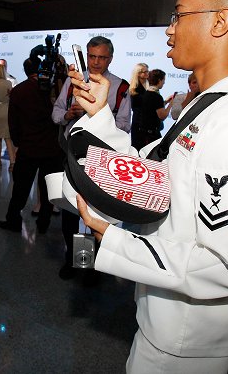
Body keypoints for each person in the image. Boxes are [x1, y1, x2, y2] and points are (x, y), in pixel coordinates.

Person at [61, 0, 228, 372]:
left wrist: (112, 240)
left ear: (221, 21)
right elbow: (152, 171)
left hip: (185, 339)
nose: (169, 30)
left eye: (179, 16)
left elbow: (223, 266)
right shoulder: (209, 105)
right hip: (165, 321)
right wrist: (101, 115)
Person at [52, 35, 131, 281]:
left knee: (95, 215)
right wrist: (69, 114)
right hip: (71, 157)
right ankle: (73, 260)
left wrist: (97, 116)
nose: (96, 62)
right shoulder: (72, 82)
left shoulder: (120, 87)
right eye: (92, 56)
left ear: (110, 58)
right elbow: (55, 114)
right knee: (71, 211)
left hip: (101, 160)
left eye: (102, 57)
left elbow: (124, 126)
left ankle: (89, 265)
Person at [0, 56, 63, 234]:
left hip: (28, 147)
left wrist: (18, 143)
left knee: (20, 188)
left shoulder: (19, 90)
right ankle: (43, 223)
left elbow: (14, 122)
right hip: (52, 148)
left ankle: (13, 220)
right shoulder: (54, 89)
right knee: (48, 189)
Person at [143, 68, 174, 141]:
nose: (164, 82)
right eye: (163, 80)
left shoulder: (146, 93)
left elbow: (152, 107)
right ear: (159, 80)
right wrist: (171, 104)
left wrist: (165, 102)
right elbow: (162, 116)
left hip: (144, 133)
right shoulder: (156, 96)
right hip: (152, 135)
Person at [128, 62, 150, 150]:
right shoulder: (133, 89)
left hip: (148, 124)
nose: (147, 74)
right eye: (144, 72)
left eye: (147, 71)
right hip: (138, 123)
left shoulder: (149, 87)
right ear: (138, 73)